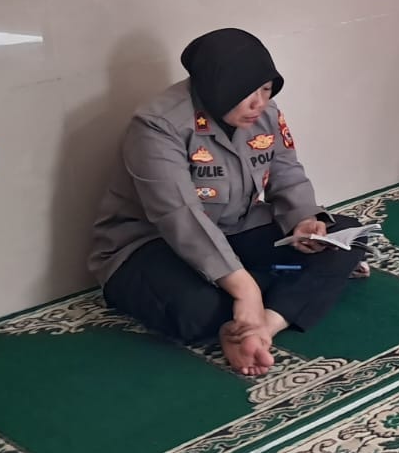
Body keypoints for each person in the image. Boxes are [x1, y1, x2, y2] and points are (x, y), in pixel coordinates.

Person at [90, 28, 364, 377]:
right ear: (217, 85)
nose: (258, 103)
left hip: (236, 229)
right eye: (247, 92)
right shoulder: (157, 126)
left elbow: (286, 172)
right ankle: (265, 290)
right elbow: (179, 217)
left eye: (266, 90)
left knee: (345, 238)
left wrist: (304, 221)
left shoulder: (265, 113)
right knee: (197, 308)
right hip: (150, 245)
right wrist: (245, 289)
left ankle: (261, 327)